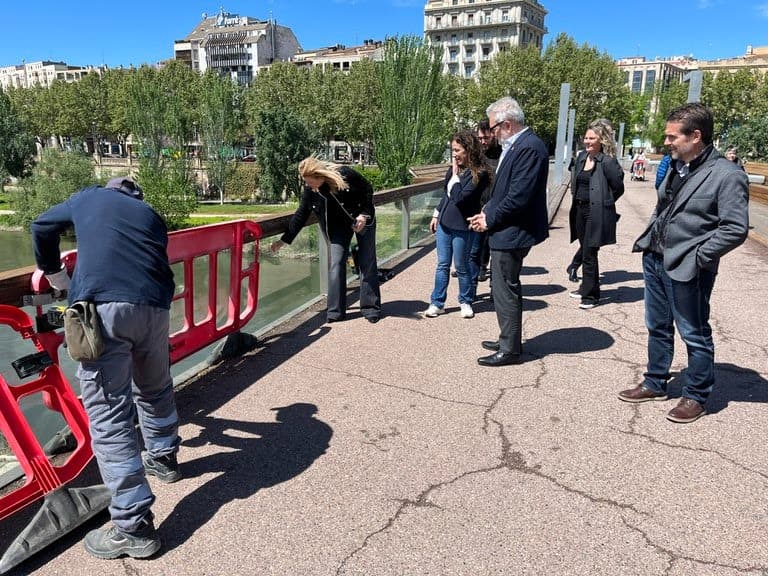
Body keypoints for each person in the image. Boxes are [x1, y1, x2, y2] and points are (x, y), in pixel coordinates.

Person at [31, 177, 181, 559]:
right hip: (154, 306)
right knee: (155, 388)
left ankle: (132, 526)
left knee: (109, 414)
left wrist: (55, 275)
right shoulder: (150, 213)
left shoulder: (89, 197)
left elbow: (41, 226)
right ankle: (164, 459)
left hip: (105, 310)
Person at [618, 103, 749, 423]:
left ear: (696, 136)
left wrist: (700, 257)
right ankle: (655, 382)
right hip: (656, 259)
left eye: (672, 136)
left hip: (689, 268)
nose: (667, 142)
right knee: (657, 326)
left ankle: (696, 395)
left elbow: (735, 229)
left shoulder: (727, 175)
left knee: (694, 332)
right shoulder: (677, 165)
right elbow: (664, 207)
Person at [468, 97, 549, 367]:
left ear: (507, 124)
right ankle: (508, 338)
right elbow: (502, 191)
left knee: (505, 289)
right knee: (501, 286)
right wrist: (486, 212)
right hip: (507, 227)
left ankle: (510, 349)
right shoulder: (517, 146)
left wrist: (489, 220)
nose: (491, 133)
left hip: (512, 231)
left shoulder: (529, 147)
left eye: (493, 128)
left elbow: (518, 197)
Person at [271, 156, 381, 323]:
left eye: (310, 182)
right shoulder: (310, 191)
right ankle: (335, 312)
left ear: (320, 177)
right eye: (306, 183)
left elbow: (367, 190)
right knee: (336, 263)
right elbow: (301, 215)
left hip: (362, 219)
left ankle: (370, 308)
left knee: (367, 261)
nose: (308, 186)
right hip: (338, 228)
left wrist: (363, 216)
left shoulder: (345, 174)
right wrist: (283, 241)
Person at [424, 130, 490, 319]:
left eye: (458, 150)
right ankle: (437, 303)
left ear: (469, 150)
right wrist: (436, 214)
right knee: (442, 265)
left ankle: (466, 301)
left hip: (463, 225)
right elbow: (447, 194)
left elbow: (461, 197)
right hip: (445, 222)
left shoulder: (480, 173)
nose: (454, 154)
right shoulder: (453, 170)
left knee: (462, 266)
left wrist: (454, 177)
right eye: (453, 150)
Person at [567, 119, 625, 309]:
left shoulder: (607, 162)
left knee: (590, 252)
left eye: (592, 138)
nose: (587, 141)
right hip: (579, 210)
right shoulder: (582, 157)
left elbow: (618, 188)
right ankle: (586, 288)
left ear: (602, 140)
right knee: (585, 250)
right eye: (586, 137)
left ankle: (591, 296)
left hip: (595, 211)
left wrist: (604, 203)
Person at [469, 119, 502, 287]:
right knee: (475, 249)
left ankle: (494, 289)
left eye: (486, 138)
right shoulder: (477, 156)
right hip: (477, 208)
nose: (482, 142)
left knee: (494, 249)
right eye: (480, 138)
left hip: (496, 208)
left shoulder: (504, 154)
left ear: (494, 136)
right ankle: (472, 285)